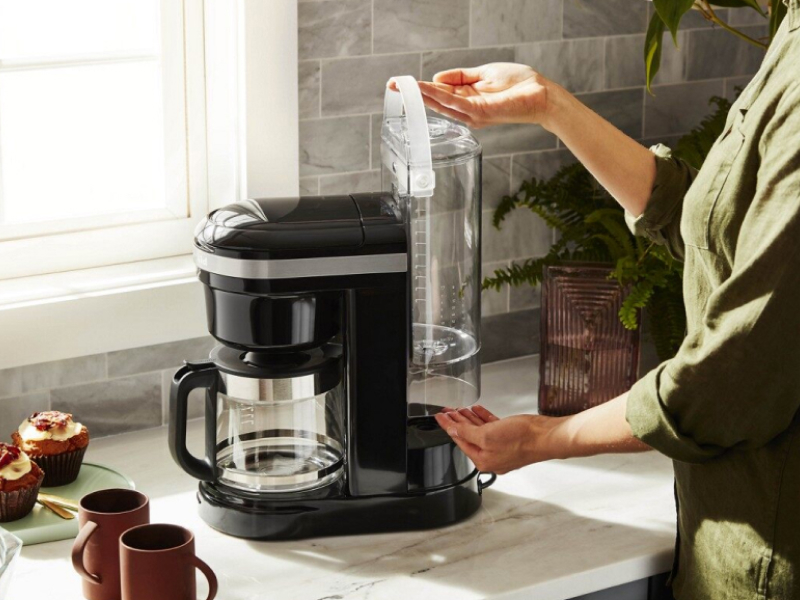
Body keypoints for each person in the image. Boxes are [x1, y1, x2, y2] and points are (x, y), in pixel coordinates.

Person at [400, 3, 800, 599]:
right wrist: (548, 105)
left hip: (769, 551)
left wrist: (541, 438)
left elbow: (728, 383)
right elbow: (716, 224)